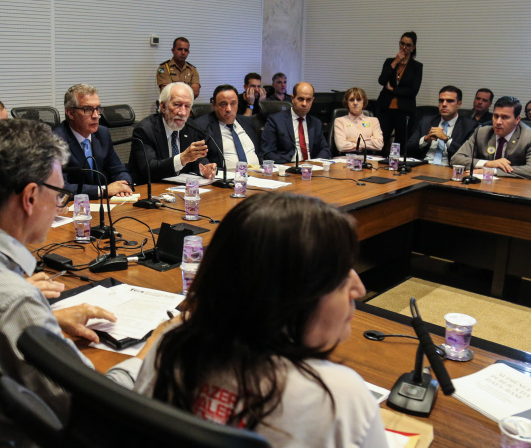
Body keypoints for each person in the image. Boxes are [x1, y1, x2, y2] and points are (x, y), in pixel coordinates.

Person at [0, 119, 157, 447]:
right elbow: (98, 412)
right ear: (30, 197)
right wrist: (153, 353)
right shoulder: (13, 303)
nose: (59, 205)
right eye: (60, 194)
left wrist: (47, 320)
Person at [134, 192, 387, 448]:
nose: (360, 289)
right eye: (341, 275)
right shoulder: (340, 397)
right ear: (289, 294)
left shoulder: (170, 346)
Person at [53, 84, 133, 198]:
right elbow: (60, 188)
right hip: (72, 209)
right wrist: (103, 190)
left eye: (98, 109)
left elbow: (119, 170)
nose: (96, 116)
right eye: (88, 110)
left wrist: (123, 186)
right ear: (70, 113)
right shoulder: (55, 141)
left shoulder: (102, 134)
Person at [130, 82, 216, 183]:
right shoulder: (145, 130)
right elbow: (149, 170)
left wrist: (204, 168)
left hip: (180, 190)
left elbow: (196, 158)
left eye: (187, 106)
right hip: (151, 190)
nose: (182, 112)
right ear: (163, 107)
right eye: (177, 105)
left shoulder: (191, 127)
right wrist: (182, 159)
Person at [450, 96, 531, 179]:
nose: (498, 122)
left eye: (505, 117)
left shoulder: (530, 136)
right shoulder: (482, 132)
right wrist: (487, 164)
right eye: (496, 116)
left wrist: (492, 171)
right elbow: (456, 159)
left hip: (513, 189)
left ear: (517, 119)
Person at [195, 84, 261, 171]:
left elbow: (260, 153)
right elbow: (198, 158)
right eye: (223, 104)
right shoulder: (201, 126)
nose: (229, 109)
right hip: (226, 180)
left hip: (258, 176)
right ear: (213, 105)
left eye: (233, 103)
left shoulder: (247, 122)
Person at [261, 82, 331, 163]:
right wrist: (294, 164)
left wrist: (313, 163)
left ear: (313, 100)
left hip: (311, 168)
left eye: (308, 100)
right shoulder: (275, 120)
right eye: (301, 99)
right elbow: (267, 153)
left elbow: (325, 150)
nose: (304, 104)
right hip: (288, 167)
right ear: (292, 98)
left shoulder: (316, 123)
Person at [376, 32, 422, 154]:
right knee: (381, 139)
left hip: (404, 109)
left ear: (413, 47)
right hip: (386, 107)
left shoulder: (417, 67)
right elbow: (382, 80)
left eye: (408, 45)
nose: (404, 47)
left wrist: (393, 90)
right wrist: (395, 62)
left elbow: (413, 91)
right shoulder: (389, 62)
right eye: (402, 43)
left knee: (400, 142)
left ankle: (396, 166)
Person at [406, 86, 477, 165]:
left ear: (459, 104)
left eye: (450, 101)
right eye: (441, 100)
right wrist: (425, 139)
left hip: (450, 168)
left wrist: (446, 139)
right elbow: (408, 148)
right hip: (424, 165)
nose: (444, 104)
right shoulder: (426, 121)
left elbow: (469, 155)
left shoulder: (469, 126)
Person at [333, 87, 383, 154]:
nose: (355, 103)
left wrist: (353, 140)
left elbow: (379, 145)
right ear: (347, 102)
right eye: (351, 100)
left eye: (359, 100)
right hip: (346, 158)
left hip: (369, 158)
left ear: (363, 102)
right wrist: (369, 140)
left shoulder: (373, 121)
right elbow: (341, 146)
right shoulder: (340, 121)